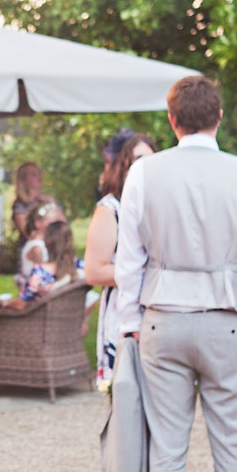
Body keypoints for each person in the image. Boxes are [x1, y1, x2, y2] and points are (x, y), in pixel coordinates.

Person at [115, 75, 237, 472]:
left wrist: (128, 324)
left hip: (162, 321)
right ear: (219, 116)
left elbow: (128, 258)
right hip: (229, 319)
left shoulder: (145, 173)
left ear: (172, 120)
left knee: (168, 452)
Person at [84, 133, 156, 386]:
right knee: (126, 396)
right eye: (136, 159)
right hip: (123, 308)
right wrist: (144, 273)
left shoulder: (160, 204)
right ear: (121, 165)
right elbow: (93, 271)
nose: (145, 165)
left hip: (159, 311)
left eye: (150, 159)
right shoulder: (110, 209)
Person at [0, 221, 80, 310]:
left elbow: (21, 304)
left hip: (42, 320)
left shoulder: (40, 273)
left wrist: (4, 303)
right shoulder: (79, 266)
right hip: (72, 316)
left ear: (48, 242)